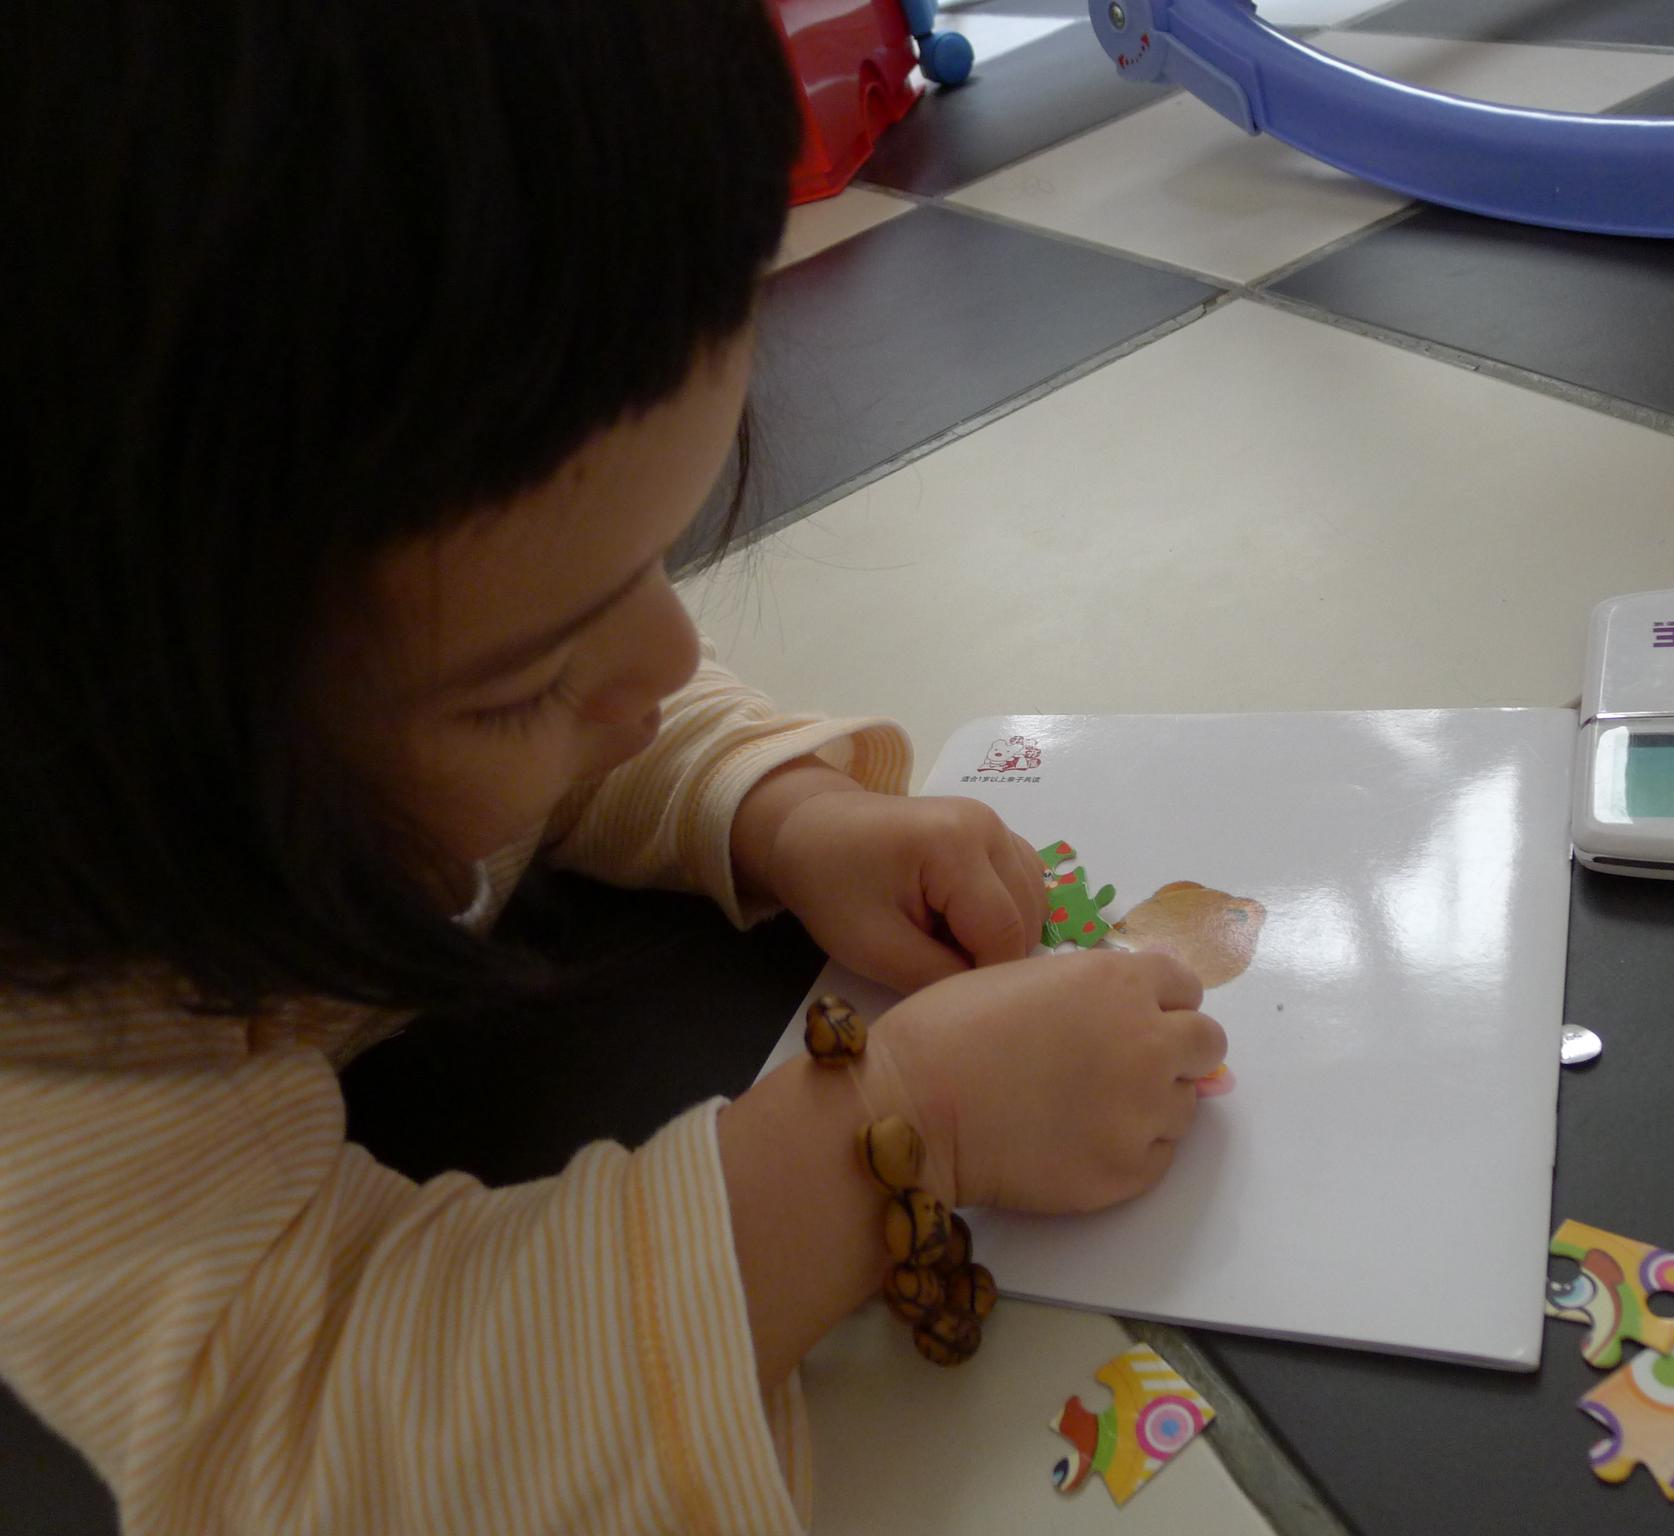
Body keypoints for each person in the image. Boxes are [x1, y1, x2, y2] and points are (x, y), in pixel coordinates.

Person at [0, 2, 1227, 1530]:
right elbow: (315, 1456)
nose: (664, 661)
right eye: (526, 685)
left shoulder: (359, 643)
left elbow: (569, 668)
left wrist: (782, 808)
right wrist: (906, 1133)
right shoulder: (56, 1033)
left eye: (653, 558)